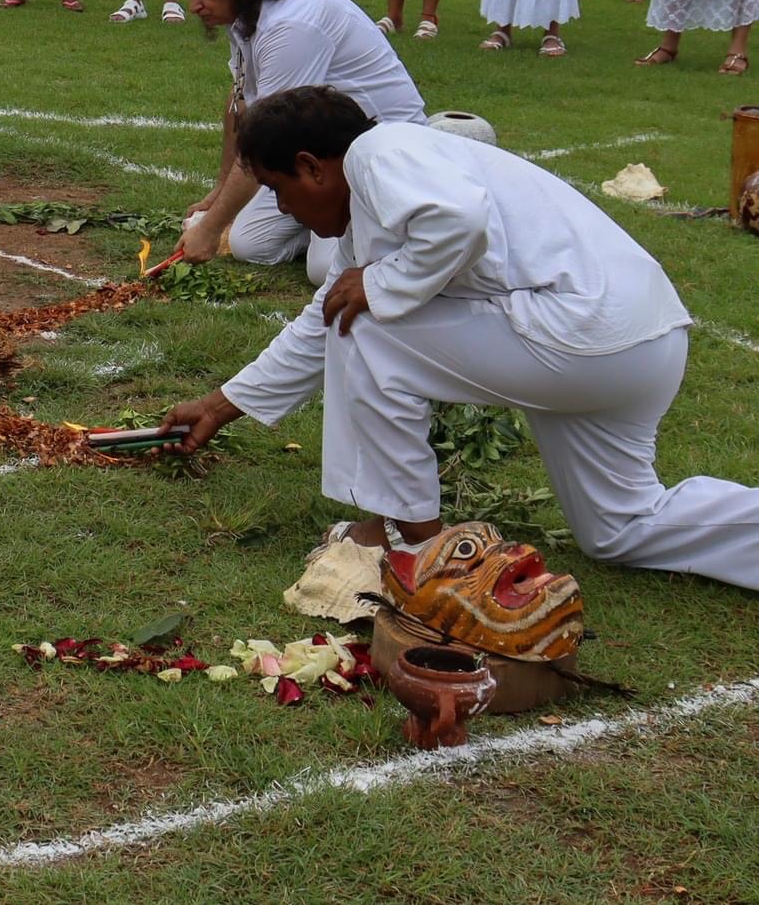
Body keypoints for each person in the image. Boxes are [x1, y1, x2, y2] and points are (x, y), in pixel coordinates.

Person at [165, 86, 759, 593]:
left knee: (369, 325)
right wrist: (219, 408)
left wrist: (382, 283)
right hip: (640, 346)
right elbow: (323, 318)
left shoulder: (378, 151)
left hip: (584, 335)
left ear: (313, 166)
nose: (282, 209)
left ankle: (414, 545)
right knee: (622, 527)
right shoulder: (379, 193)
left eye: (276, 188)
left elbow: (457, 221)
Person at [164, 0, 426, 281]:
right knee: (250, 245)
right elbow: (240, 100)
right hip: (321, 149)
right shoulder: (246, 11)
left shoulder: (292, 22)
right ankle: (324, 228)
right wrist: (220, 191)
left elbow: (270, 133)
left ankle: (393, 221)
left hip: (379, 153)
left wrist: (209, 230)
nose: (194, 6)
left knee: (324, 271)